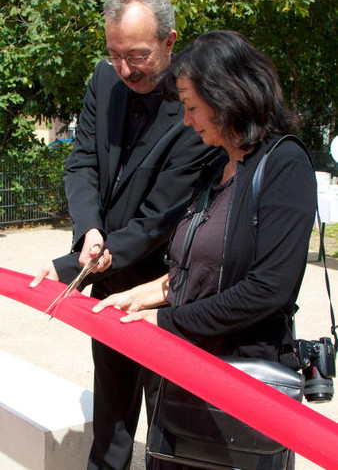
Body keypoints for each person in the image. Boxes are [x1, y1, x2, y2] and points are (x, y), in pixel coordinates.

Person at [93, 30, 317, 469]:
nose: (186, 121)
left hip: (238, 389)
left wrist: (164, 321)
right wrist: (145, 293)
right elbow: (196, 266)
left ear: (228, 97)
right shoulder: (215, 165)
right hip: (185, 378)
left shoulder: (284, 166)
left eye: (192, 107)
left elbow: (266, 290)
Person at [31, 0, 219, 470]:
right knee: (111, 424)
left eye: (136, 56)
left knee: (168, 431)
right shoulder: (104, 80)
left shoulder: (196, 103)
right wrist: (88, 230)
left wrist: (81, 261)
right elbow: (82, 166)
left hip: (165, 288)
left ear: (170, 42)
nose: (124, 69)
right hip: (108, 274)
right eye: (114, 54)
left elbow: (163, 213)